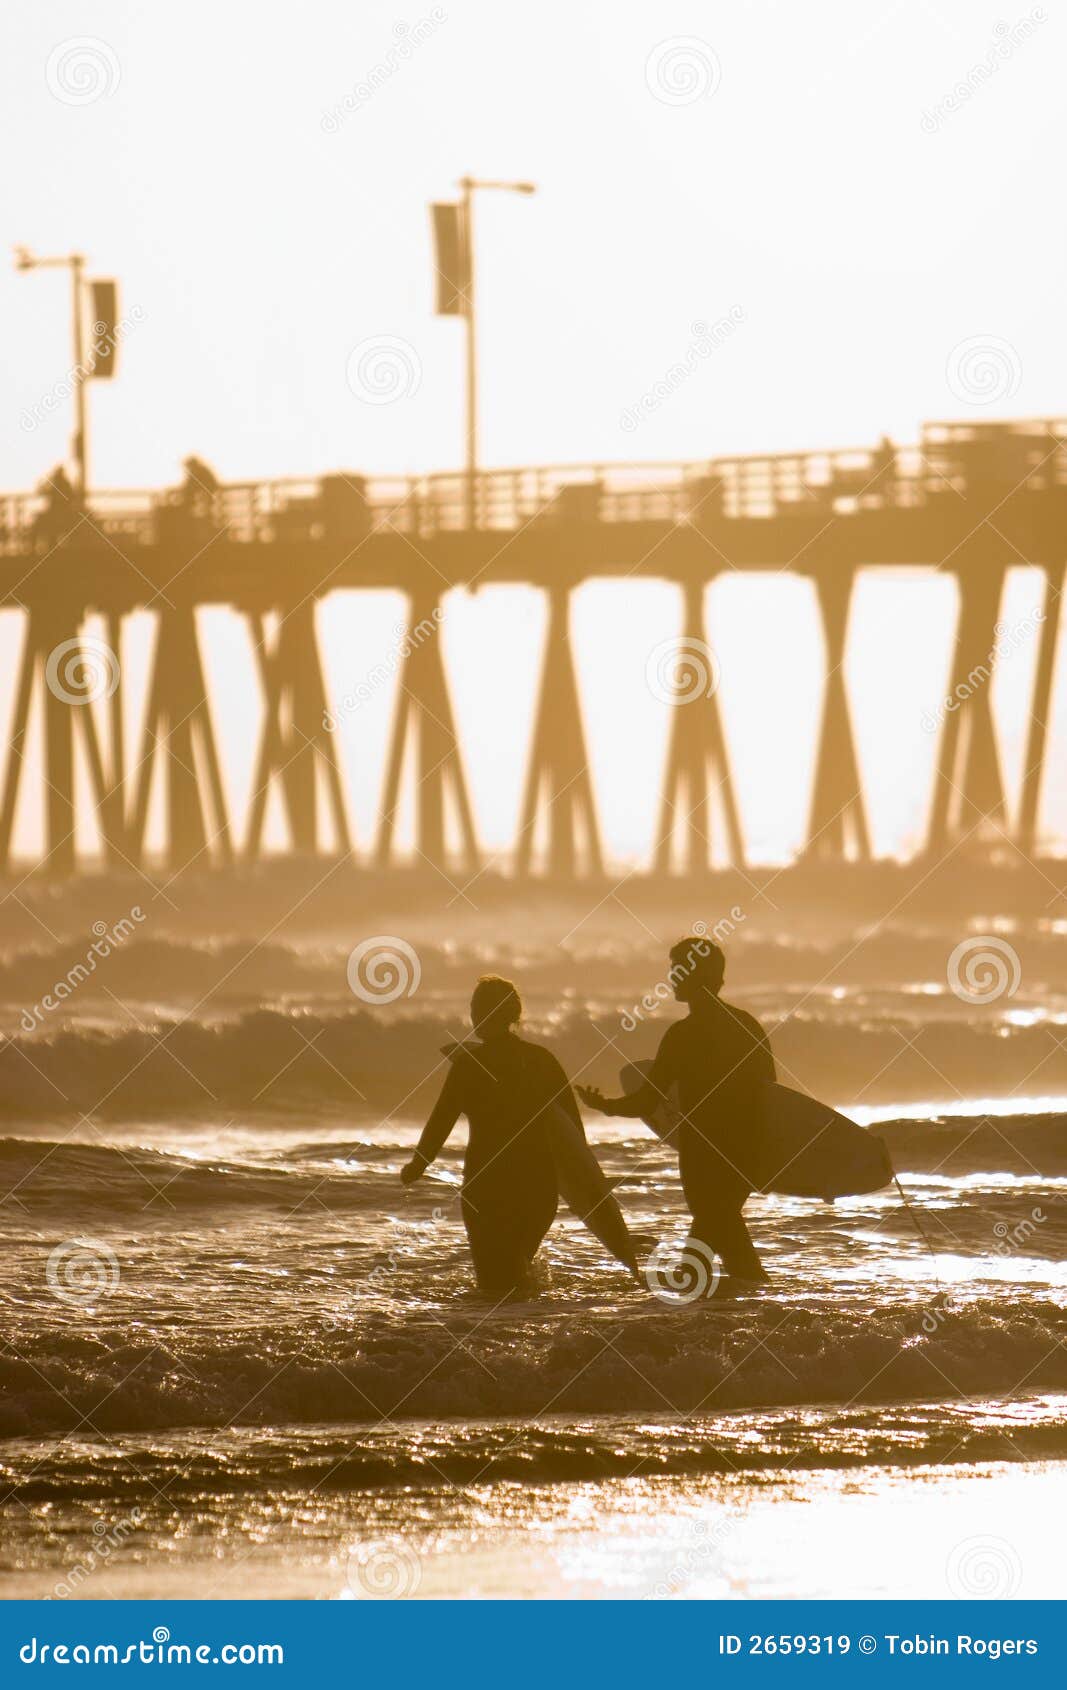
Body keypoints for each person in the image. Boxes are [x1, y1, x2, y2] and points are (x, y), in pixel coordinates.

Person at [577, 937, 773, 1288]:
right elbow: (772, 1093)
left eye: (677, 971)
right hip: (747, 1151)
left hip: (704, 1153)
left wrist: (605, 1106)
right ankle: (736, 1303)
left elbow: (647, 1101)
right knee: (722, 1229)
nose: (671, 979)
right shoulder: (747, 1026)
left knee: (718, 1228)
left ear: (695, 975)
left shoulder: (684, 1034)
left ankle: (698, 1298)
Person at [400, 975, 566, 1297]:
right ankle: (536, 1339)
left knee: (493, 1287)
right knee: (519, 1279)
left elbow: (440, 1121)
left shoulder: (468, 1065)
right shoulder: (541, 1060)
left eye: (477, 1007)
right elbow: (571, 1128)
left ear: (488, 1013)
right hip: (539, 1187)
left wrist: (417, 1166)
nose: (473, 1015)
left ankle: (498, 1342)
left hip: (488, 1188)